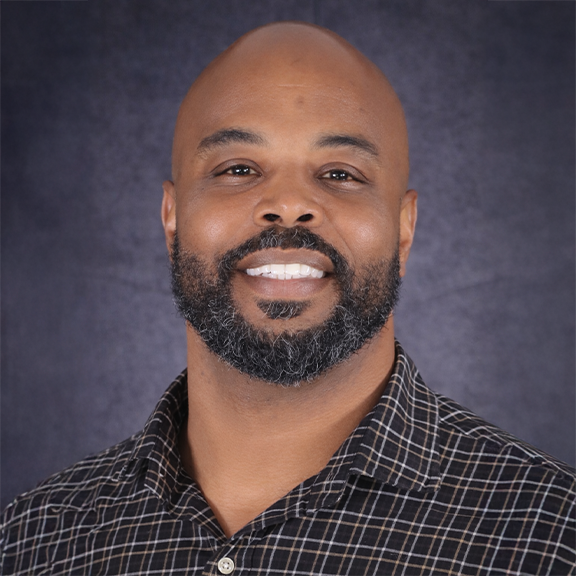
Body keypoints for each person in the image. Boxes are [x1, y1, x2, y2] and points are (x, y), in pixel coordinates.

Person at [1, 21, 575, 576]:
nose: (289, 205)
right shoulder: (30, 541)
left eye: (340, 174)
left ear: (404, 229)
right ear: (172, 218)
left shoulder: (552, 537)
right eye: (239, 168)